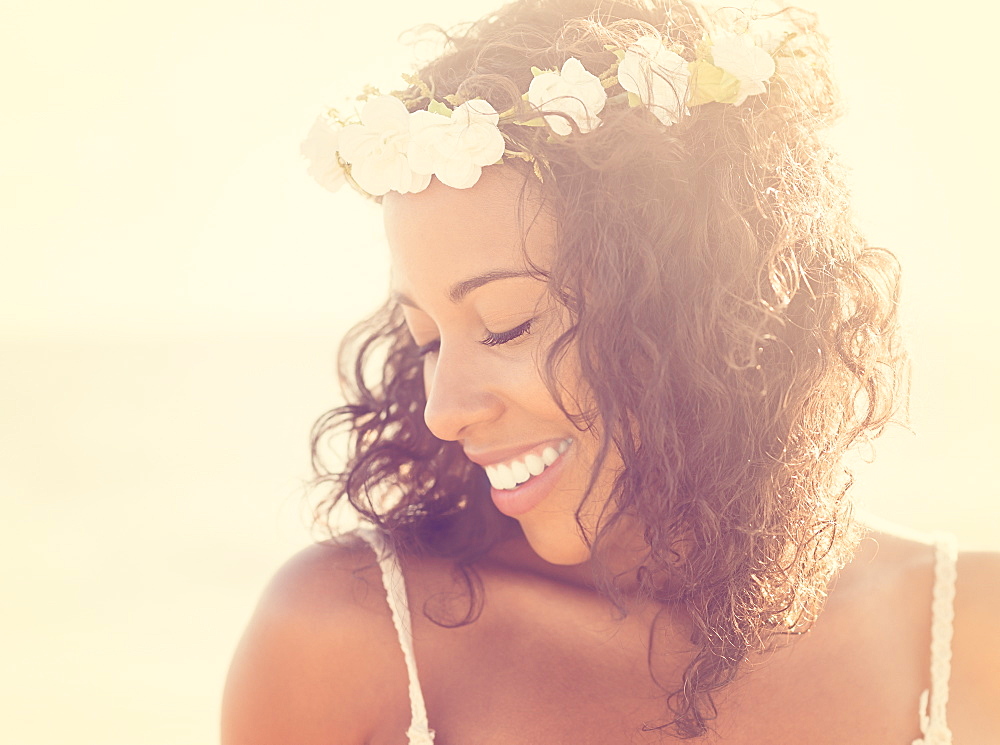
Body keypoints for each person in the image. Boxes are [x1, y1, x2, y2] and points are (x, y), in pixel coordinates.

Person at [221, 0, 1000, 742]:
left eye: (504, 324)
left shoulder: (968, 634)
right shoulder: (350, 638)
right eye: (427, 340)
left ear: (699, 299)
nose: (444, 410)